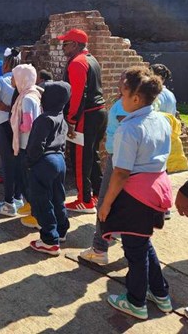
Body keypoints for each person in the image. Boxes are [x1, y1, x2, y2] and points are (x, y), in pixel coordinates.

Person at [98, 66, 173, 321]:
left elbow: (120, 173)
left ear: (136, 99)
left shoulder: (129, 129)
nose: (120, 99)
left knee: (135, 252)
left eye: (122, 94)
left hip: (134, 197)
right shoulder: (161, 120)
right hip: (156, 190)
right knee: (142, 242)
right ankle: (161, 293)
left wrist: (106, 204)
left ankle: (135, 300)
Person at [79, 72, 129, 266]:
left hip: (119, 159)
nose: (118, 83)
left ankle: (99, 248)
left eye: (123, 82)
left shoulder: (126, 109)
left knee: (105, 202)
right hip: (120, 157)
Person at [58, 29, 107, 213]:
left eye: (66, 44)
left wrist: (71, 119)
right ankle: (97, 194)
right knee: (91, 156)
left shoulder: (77, 63)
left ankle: (84, 200)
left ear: (76, 45)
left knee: (80, 159)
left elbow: (77, 95)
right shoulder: (92, 60)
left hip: (85, 116)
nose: (63, 47)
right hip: (99, 112)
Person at [26, 81, 71, 256]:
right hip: (59, 161)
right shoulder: (61, 116)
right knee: (58, 197)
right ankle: (61, 230)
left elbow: (36, 145)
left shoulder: (44, 119)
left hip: (44, 162)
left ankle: (49, 240)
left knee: (42, 201)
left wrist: (30, 163)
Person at [0, 49, 25, 217]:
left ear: (5, 64)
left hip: (4, 125)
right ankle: (18, 198)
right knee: (19, 163)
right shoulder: (23, 80)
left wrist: (2, 105)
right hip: (21, 125)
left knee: (8, 164)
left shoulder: (1, 80)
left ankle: (9, 203)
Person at [9, 64, 42, 229]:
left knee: (27, 179)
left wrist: (17, 126)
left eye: (14, 76)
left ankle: (37, 215)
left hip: (26, 145)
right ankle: (31, 205)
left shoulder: (27, 98)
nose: (11, 79)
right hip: (26, 144)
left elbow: (27, 124)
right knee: (25, 179)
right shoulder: (29, 94)